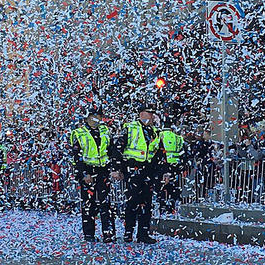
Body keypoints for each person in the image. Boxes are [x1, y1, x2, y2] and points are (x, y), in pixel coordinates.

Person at [112, 104, 165, 244]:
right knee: (132, 202)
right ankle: (128, 232)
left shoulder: (155, 132)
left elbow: (160, 153)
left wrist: (163, 172)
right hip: (133, 169)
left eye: (153, 113)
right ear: (141, 114)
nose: (152, 116)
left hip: (148, 171)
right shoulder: (130, 128)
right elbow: (118, 148)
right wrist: (118, 168)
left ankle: (143, 233)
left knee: (146, 204)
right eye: (149, 113)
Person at [70, 107, 116, 243]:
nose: (96, 120)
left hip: (103, 171)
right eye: (93, 117)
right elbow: (77, 156)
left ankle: (108, 233)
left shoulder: (105, 131)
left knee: (106, 203)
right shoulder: (79, 133)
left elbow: (111, 150)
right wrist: (84, 174)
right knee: (88, 204)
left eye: (98, 117)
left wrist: (113, 168)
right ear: (87, 118)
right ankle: (89, 234)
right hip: (88, 171)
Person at [157, 119, 186, 214]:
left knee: (162, 186)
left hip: (163, 165)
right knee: (173, 187)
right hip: (175, 165)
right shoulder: (178, 138)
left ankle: (162, 207)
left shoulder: (159, 136)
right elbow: (183, 152)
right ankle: (172, 207)